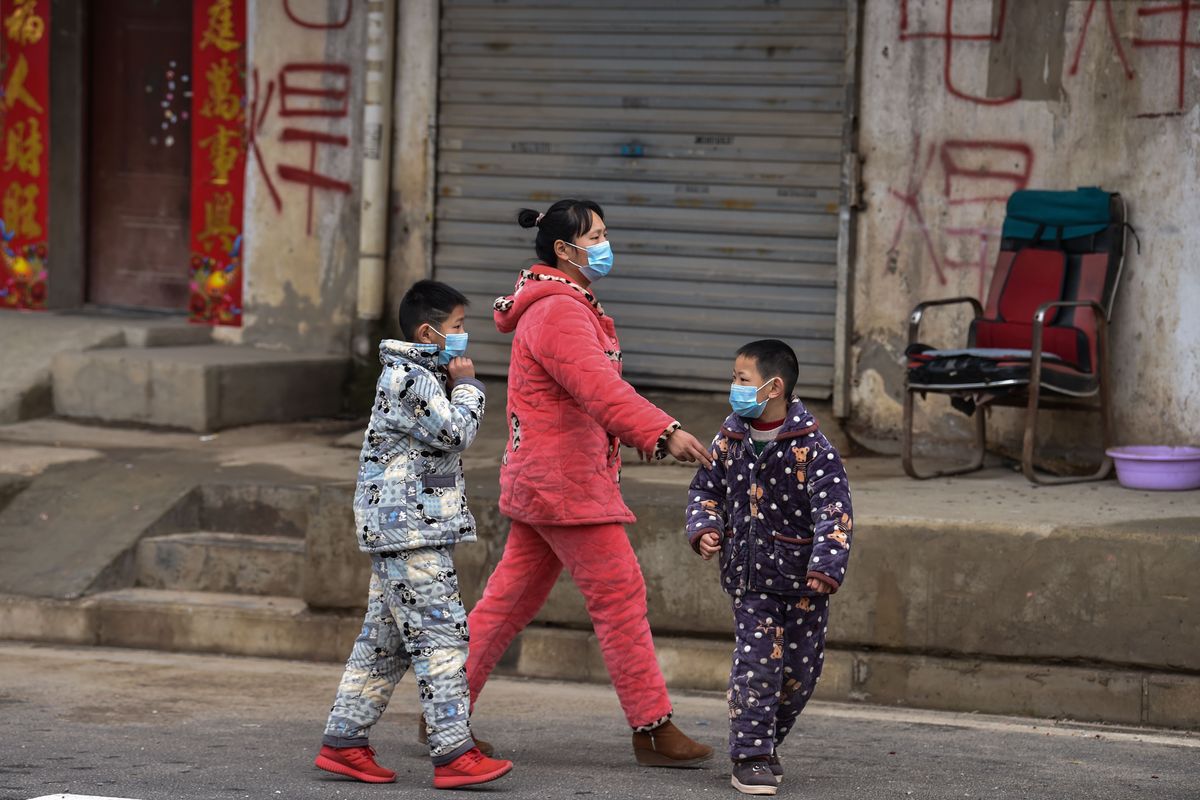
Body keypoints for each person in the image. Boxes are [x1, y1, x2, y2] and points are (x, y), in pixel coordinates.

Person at [462, 199, 717, 767]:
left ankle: (446, 714)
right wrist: (663, 431)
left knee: (507, 602)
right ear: (564, 249)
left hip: (550, 479)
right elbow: (598, 389)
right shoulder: (559, 312)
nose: (605, 243)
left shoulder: (558, 304)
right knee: (619, 595)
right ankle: (652, 727)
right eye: (596, 235)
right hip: (564, 484)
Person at [315, 280, 513, 790]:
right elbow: (456, 433)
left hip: (404, 528)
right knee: (443, 638)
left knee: (385, 643)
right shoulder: (412, 379)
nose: (463, 338)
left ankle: (344, 742)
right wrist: (468, 387)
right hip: (411, 532)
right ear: (429, 332)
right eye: (457, 328)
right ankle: (454, 752)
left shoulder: (413, 374)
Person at [685, 339, 854, 796]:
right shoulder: (731, 436)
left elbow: (834, 512)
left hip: (803, 581)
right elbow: (706, 489)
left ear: (773, 387)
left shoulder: (814, 448)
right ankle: (750, 754)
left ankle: (765, 741)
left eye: (742, 380)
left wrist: (827, 564)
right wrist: (704, 528)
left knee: (800, 673)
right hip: (749, 577)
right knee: (758, 666)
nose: (733, 388)